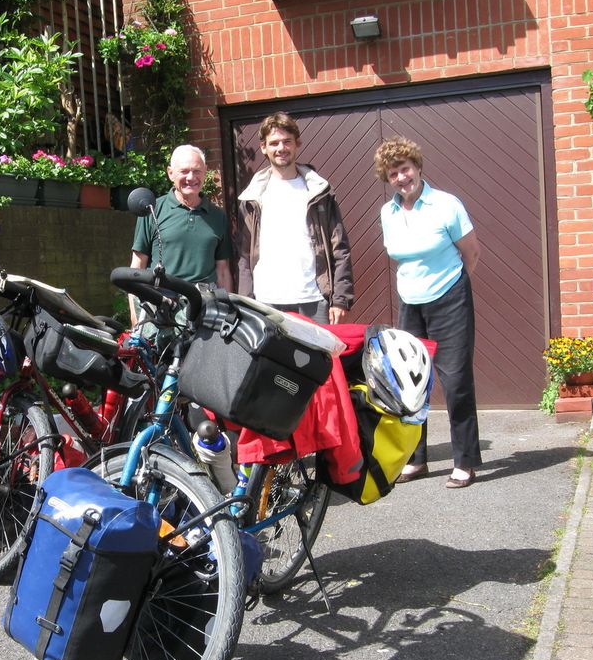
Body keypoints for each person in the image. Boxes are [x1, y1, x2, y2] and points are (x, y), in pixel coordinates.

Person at [373, 136, 482, 489]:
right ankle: (415, 459)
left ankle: (464, 461)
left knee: (456, 382)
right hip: (410, 303)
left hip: (450, 299)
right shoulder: (388, 213)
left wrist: (451, 286)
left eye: (405, 169)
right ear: (387, 179)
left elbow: (472, 253)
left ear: (418, 167)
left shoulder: (446, 204)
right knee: (409, 384)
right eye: (393, 173)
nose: (401, 178)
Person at [235, 111, 354, 325]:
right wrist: (246, 301)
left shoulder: (319, 192)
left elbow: (340, 248)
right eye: (274, 143)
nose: (281, 148)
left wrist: (340, 299)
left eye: (287, 141)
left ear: (297, 143)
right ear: (264, 147)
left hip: (314, 300)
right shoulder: (252, 197)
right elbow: (243, 256)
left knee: (321, 359)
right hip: (265, 302)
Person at [128, 144, 232, 325]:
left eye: (197, 171)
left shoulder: (218, 216)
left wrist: (227, 311)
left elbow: (222, 271)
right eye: (184, 171)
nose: (191, 177)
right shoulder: (152, 211)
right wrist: (135, 314)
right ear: (170, 173)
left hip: (204, 307)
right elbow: (137, 266)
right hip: (161, 305)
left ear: (205, 172)